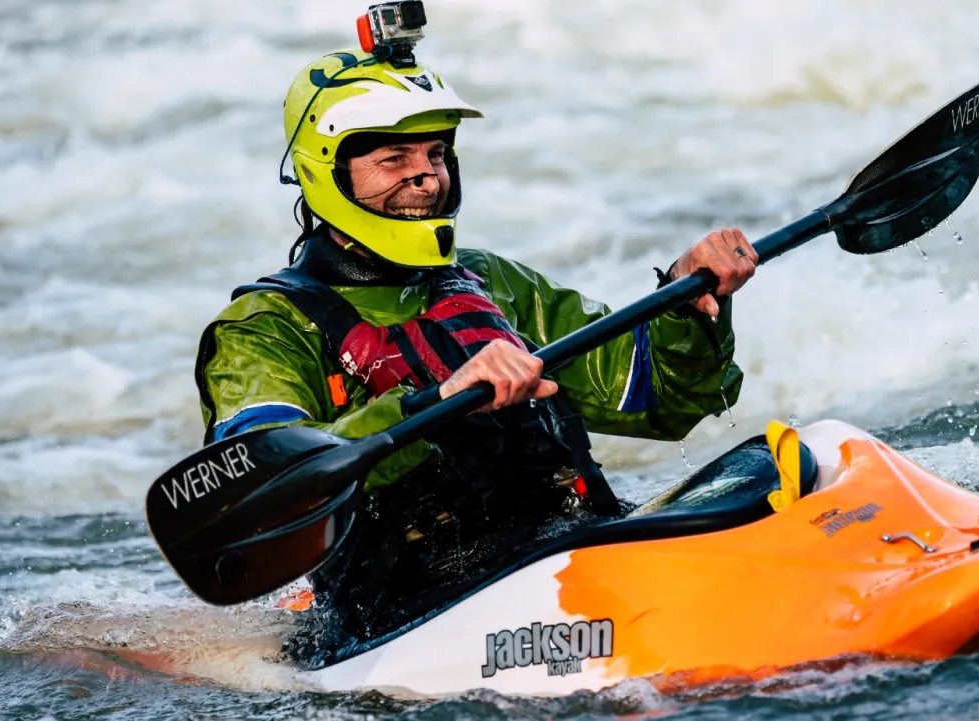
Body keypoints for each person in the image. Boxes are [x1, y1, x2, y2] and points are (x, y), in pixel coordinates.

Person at [193, 48, 757, 649]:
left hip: (570, 554)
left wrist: (684, 300)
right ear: (327, 173)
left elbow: (662, 402)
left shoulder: (489, 281)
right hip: (403, 620)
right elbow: (260, 492)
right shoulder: (265, 329)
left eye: (436, 154)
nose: (426, 177)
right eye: (394, 159)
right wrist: (435, 401)